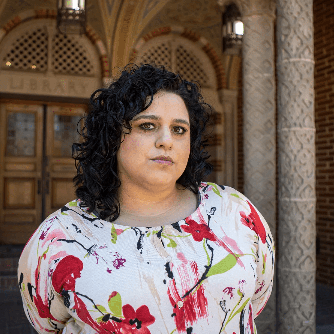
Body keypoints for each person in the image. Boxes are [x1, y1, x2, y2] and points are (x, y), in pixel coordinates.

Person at [17, 64, 274, 334]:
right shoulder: (59, 237)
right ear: (112, 137)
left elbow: (253, 299)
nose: (166, 141)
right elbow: (47, 324)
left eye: (179, 129)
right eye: (148, 125)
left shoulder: (235, 211)